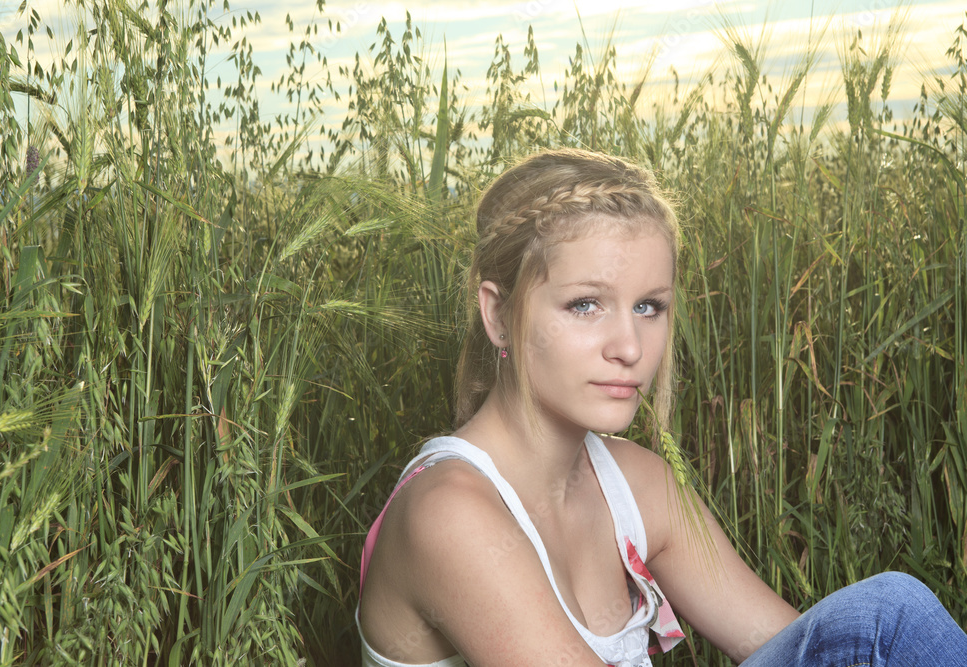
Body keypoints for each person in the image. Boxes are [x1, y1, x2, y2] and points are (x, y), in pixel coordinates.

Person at [355, 149, 967, 666]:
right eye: (585, 305)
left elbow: (810, 648)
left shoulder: (636, 484)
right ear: (496, 314)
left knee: (885, 622)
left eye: (648, 307)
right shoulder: (448, 513)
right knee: (892, 612)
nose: (629, 347)